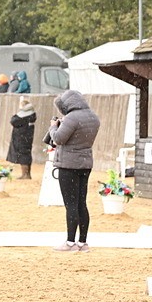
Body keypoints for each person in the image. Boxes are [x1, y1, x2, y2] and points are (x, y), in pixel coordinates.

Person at [46, 90, 100, 252]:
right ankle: (83, 243)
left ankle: (70, 242)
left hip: (69, 165)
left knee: (70, 205)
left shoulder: (71, 118)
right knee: (81, 203)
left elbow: (58, 139)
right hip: (85, 164)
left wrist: (53, 127)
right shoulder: (93, 117)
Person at [7, 96, 36, 179]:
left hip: (21, 138)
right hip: (27, 138)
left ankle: (25, 174)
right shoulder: (31, 115)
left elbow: (13, 121)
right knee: (26, 154)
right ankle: (27, 174)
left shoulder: (24, 115)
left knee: (23, 155)